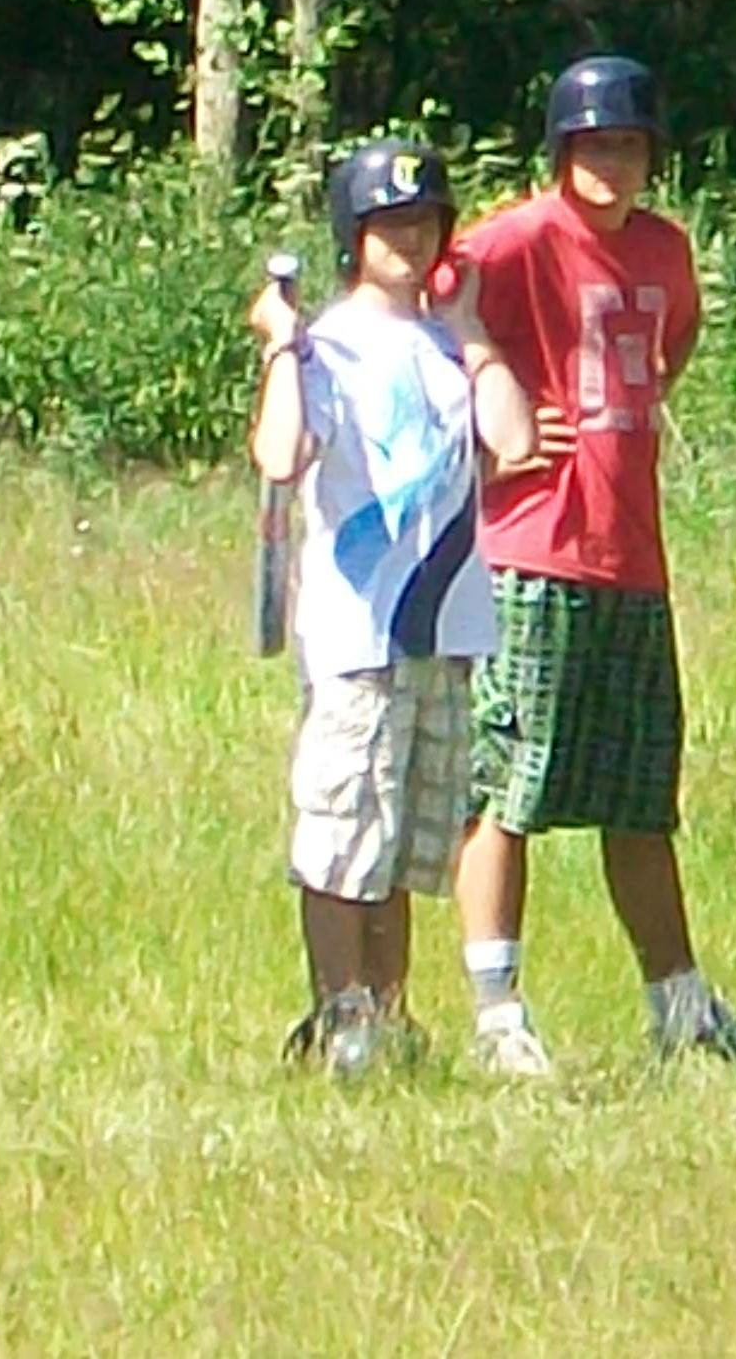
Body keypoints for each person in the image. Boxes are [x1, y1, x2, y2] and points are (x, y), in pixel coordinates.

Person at [448, 55, 736, 1074]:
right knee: (509, 785)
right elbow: (427, 299)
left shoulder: (665, 248)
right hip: (533, 550)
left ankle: (679, 1005)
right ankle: (498, 1010)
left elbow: (670, 351)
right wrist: (492, 406)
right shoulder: (519, 237)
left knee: (638, 792)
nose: (610, 163)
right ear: (559, 151)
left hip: (631, 554)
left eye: (626, 145)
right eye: (591, 145)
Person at [246, 139, 542, 1076]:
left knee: (409, 837)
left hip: (442, 630)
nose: (408, 240)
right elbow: (280, 455)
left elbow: (514, 439)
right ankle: (340, 1011)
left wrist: (473, 332)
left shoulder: (447, 346)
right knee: (343, 832)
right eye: (387, 226)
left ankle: (388, 1009)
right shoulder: (328, 346)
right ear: (353, 236)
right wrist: (282, 344)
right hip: (357, 633)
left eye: (422, 222)